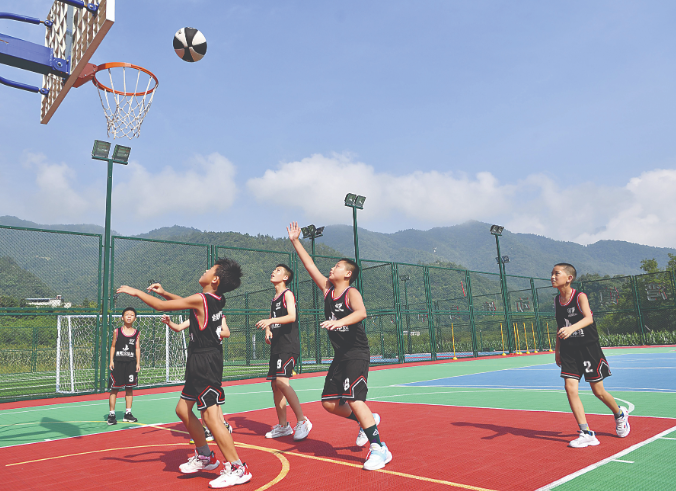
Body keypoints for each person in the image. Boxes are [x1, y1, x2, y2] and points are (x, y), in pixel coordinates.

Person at [117, 258, 252, 488]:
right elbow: (186, 303)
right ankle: (205, 457)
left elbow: (162, 307)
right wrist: (165, 293)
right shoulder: (216, 298)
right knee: (182, 409)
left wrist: (137, 292)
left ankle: (238, 468)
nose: (205, 270)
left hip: (206, 362)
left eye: (209, 269)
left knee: (211, 417)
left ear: (215, 279)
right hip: (199, 359)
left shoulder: (203, 299)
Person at [287, 222, 392, 471]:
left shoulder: (351, 293)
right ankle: (367, 421)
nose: (332, 268)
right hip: (341, 355)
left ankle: (379, 448)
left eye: (337, 266)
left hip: (357, 353)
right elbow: (310, 266)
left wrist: (339, 322)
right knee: (329, 403)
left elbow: (361, 313)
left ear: (347, 274)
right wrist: (295, 241)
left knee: (355, 399)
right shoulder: (327, 291)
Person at [552, 263, 630, 448]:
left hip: (588, 349)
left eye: (557, 273)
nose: (553, 277)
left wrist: (571, 328)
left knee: (598, 391)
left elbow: (588, 318)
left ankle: (620, 414)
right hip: (569, 350)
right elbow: (560, 326)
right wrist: (557, 350)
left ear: (569, 278)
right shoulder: (556, 301)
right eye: (552, 274)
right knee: (570, 388)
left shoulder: (580, 296)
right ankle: (586, 433)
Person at [255, 264, 312, 441]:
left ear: (285, 277)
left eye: (278, 270)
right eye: (274, 270)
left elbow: (291, 316)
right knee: (275, 385)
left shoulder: (288, 294)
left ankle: (302, 421)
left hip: (288, 345)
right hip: (277, 346)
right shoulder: (274, 299)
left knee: (282, 382)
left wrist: (270, 321)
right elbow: (273, 317)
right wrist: (268, 329)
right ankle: (283, 426)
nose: (274, 271)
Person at [108, 307, 140, 425]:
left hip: (131, 364)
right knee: (114, 389)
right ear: (122, 318)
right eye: (127, 314)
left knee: (129, 388)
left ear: (135, 318)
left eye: (132, 315)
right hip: (118, 363)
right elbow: (113, 346)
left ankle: (128, 413)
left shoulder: (136, 333)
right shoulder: (117, 331)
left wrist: (138, 363)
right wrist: (111, 361)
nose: (129, 316)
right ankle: (111, 414)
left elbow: (137, 348)